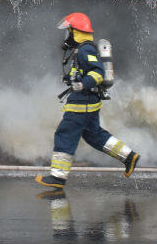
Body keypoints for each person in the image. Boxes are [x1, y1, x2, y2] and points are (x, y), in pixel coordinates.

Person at [35, 13, 140, 188]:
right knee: (93, 135)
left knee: (65, 134)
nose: (66, 36)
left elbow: (98, 73)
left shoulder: (85, 49)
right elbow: (83, 72)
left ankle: (58, 177)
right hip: (87, 101)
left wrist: (82, 84)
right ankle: (129, 157)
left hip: (82, 103)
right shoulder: (81, 49)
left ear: (75, 32)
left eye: (68, 31)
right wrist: (70, 79)